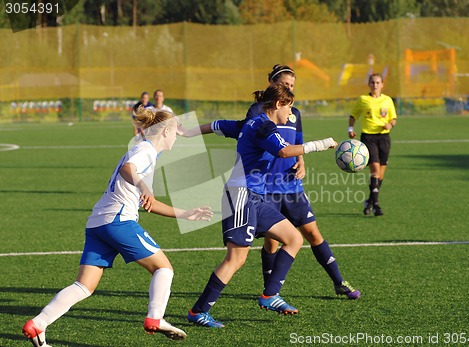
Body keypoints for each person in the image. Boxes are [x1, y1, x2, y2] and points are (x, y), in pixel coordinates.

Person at [22, 106, 213, 346]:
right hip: (118, 221)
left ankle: (38, 324)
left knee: (83, 286)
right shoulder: (145, 150)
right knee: (164, 268)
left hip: (98, 224)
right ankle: (156, 318)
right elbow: (127, 170)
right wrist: (145, 187)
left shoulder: (145, 152)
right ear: (165, 131)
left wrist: (185, 213)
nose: (176, 137)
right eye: (175, 132)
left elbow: (149, 204)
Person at [182, 65, 360, 299]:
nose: (289, 89)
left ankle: (334, 282)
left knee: (308, 234)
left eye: (292, 86)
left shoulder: (293, 112)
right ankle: (269, 292)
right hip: (261, 187)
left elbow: (295, 142)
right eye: (285, 85)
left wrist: (302, 161)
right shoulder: (258, 115)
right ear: (273, 87)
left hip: (289, 183)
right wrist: (320, 144)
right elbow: (270, 144)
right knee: (265, 245)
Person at [348, 73, 397, 216]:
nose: (375, 85)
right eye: (372, 82)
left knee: (380, 174)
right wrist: (350, 129)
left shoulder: (387, 100)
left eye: (377, 82)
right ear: (369, 84)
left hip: (384, 138)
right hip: (368, 138)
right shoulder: (363, 100)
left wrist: (390, 124)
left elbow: (393, 118)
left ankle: (369, 201)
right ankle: (376, 205)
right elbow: (353, 115)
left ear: (382, 84)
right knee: (375, 169)